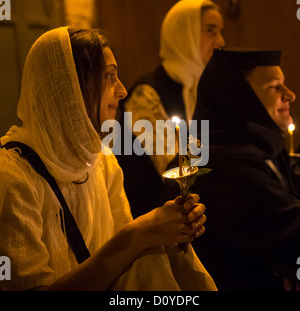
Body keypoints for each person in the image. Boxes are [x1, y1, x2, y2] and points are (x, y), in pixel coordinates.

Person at [0, 27, 217, 291]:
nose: (123, 90)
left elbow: (126, 265)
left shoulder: (103, 162)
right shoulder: (12, 176)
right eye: (110, 77)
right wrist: (139, 233)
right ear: (69, 88)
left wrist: (171, 229)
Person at [188, 47, 300, 291]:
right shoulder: (224, 166)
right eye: (275, 86)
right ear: (240, 97)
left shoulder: (263, 145)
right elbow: (296, 236)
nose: (291, 95)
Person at [117, 0, 225, 218]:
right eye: (210, 31)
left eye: (220, 31)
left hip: (193, 210)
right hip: (152, 218)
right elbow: (178, 172)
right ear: (182, 33)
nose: (221, 41)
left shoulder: (204, 88)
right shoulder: (145, 94)